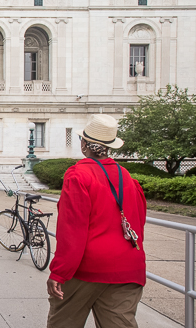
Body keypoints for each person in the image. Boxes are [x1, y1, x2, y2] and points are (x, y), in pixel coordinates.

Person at [47, 114, 147, 328]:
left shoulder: (78, 176)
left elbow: (72, 231)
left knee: (64, 323)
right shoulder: (128, 177)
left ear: (84, 145)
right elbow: (139, 224)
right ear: (110, 147)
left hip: (86, 268)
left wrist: (59, 272)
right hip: (128, 268)